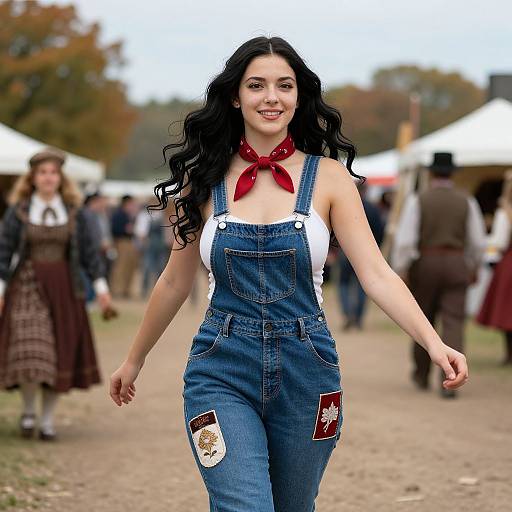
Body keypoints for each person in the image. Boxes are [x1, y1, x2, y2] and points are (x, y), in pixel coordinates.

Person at [109, 37, 469, 511]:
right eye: (256, 85)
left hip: (310, 372)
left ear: (299, 96)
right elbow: (175, 281)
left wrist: (434, 342)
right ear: (235, 96)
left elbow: (376, 273)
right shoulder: (203, 180)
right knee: (244, 505)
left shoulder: (331, 178)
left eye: (284, 85)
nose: (271, 97)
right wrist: (134, 360)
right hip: (219, 368)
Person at [0, 147, 112, 441]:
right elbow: (4, 252)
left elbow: (89, 255)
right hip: (26, 285)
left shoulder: (76, 213)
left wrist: (101, 290)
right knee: (31, 351)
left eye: (53, 172)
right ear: (33, 178)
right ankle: (27, 411)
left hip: (64, 287)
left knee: (58, 353)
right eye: (43, 172)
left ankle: (47, 420)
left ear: (60, 178)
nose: (49, 178)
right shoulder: (19, 212)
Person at [392, 152, 486, 398]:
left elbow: (405, 240)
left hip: (426, 263)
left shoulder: (418, 200)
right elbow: (477, 242)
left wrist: (402, 269)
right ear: (452, 174)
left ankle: (421, 374)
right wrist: (473, 266)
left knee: (423, 320)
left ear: (431, 173)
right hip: (456, 263)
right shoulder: (467, 201)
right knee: (453, 322)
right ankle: (452, 379)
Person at [476, 170, 512, 365]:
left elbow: (499, 241)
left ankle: (509, 354)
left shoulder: (504, 213)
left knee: (507, 312)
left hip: (509, 263)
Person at [338, 182, 384, 330]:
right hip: (367, 251)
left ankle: (347, 313)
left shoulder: (344, 206)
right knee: (363, 285)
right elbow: (380, 230)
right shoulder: (373, 208)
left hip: (345, 250)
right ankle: (357, 318)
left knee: (344, 283)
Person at [110, 195, 140, 298]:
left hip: (129, 242)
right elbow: (115, 229)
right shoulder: (118, 215)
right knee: (120, 267)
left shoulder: (128, 215)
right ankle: (117, 290)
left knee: (129, 267)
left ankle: (126, 290)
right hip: (121, 242)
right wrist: (126, 230)